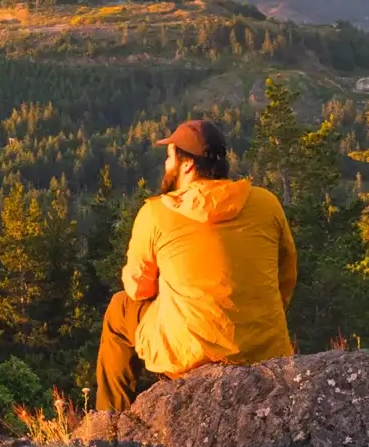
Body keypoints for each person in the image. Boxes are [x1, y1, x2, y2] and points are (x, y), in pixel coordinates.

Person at [96, 118, 296, 413]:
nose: (166, 165)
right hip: (266, 353)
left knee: (119, 309)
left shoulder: (155, 213)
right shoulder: (267, 203)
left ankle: (110, 421)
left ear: (186, 165)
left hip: (190, 356)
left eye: (169, 157)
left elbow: (138, 290)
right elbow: (286, 275)